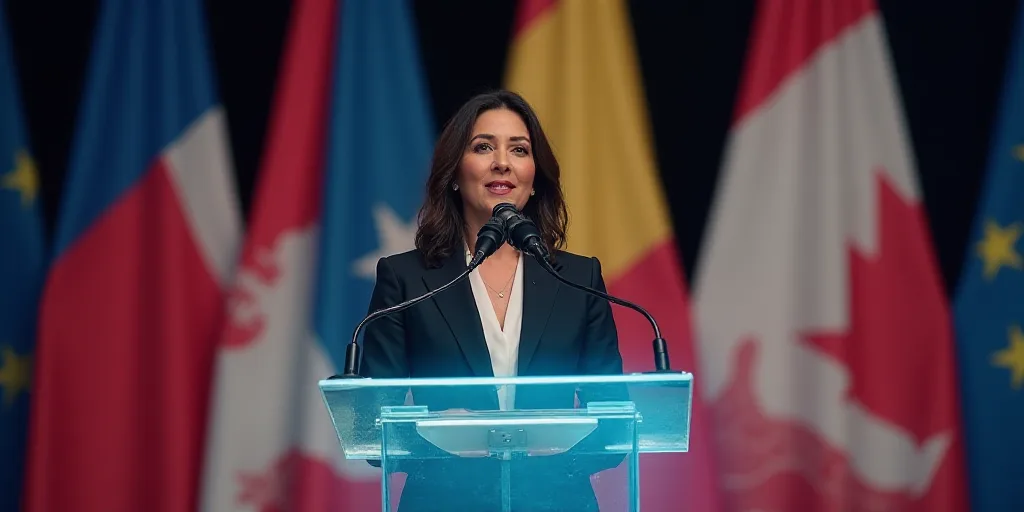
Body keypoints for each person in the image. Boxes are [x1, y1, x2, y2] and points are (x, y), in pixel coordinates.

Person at [361, 90, 626, 511]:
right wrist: (436, 431)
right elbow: (372, 430)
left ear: (534, 176)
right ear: (453, 172)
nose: (501, 161)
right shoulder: (406, 279)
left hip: (557, 501)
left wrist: (554, 441)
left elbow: (615, 425)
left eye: (518, 149)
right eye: (483, 146)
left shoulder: (578, 278)